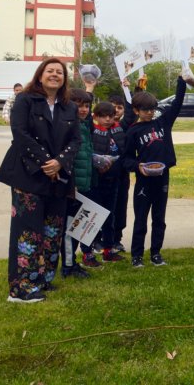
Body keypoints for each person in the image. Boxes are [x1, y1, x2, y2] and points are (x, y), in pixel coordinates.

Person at [0, 58, 81, 303]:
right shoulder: (25, 99)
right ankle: (20, 288)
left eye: (60, 72)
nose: (55, 75)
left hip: (58, 177)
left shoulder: (69, 107)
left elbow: (76, 140)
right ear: (40, 75)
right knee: (28, 230)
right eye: (50, 71)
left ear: (64, 79)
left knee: (53, 230)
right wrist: (47, 162)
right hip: (28, 175)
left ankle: (41, 280)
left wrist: (60, 163)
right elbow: (20, 133)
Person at [121, 76, 190, 268]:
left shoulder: (163, 123)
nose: (150, 113)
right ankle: (136, 256)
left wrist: (181, 81)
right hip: (143, 180)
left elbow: (177, 103)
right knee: (141, 219)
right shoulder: (133, 131)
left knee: (159, 218)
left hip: (162, 177)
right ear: (136, 111)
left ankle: (156, 253)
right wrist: (138, 167)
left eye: (152, 109)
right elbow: (126, 158)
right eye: (145, 110)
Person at [61, 88, 98, 277]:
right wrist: (71, 184)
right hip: (72, 186)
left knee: (77, 227)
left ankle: (73, 262)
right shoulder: (68, 127)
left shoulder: (83, 125)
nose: (83, 110)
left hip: (85, 184)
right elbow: (68, 159)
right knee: (69, 228)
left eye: (86, 106)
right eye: (78, 105)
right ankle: (67, 266)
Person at [87, 101, 127, 263]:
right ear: (95, 117)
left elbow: (130, 113)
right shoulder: (92, 130)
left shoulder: (118, 129)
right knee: (92, 216)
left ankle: (108, 250)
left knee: (110, 216)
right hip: (96, 180)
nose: (108, 119)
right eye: (103, 116)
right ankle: (87, 252)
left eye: (111, 116)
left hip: (114, 180)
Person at [108, 94, 130, 254]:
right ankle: (99, 240)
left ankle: (117, 239)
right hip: (102, 176)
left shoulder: (124, 126)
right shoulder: (97, 127)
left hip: (121, 175)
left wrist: (128, 90)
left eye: (119, 107)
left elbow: (132, 113)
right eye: (112, 106)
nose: (116, 110)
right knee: (104, 208)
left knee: (120, 208)